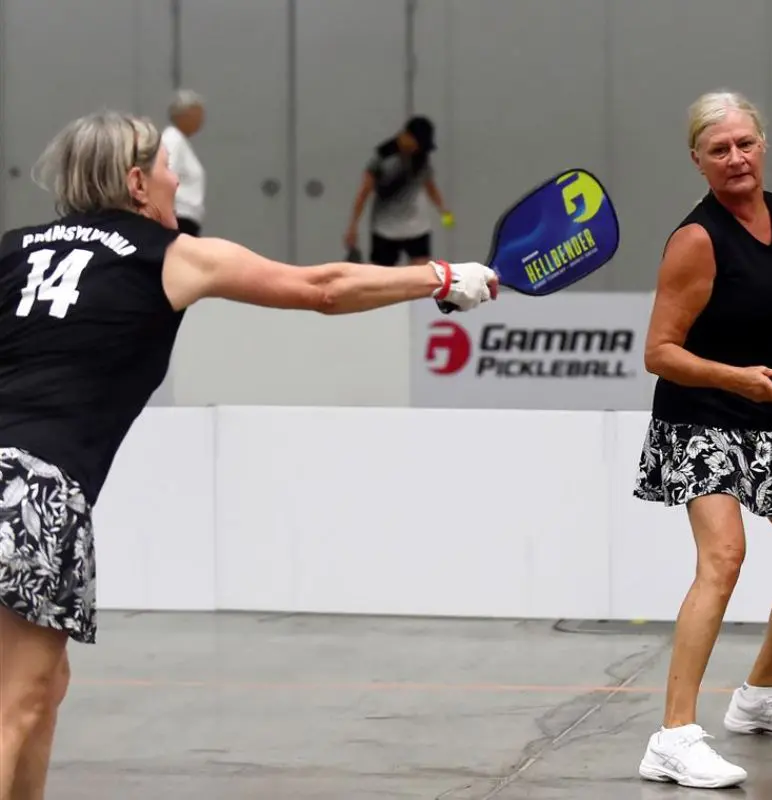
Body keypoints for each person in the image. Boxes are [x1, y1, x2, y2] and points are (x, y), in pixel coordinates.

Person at [0, 110, 498, 800]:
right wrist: (439, 276)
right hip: (37, 489)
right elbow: (321, 287)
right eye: (169, 168)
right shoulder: (168, 254)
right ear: (139, 182)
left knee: (44, 688)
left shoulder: (14, 248)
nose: (179, 181)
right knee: (17, 705)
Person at [632, 90, 772, 790]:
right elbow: (659, 352)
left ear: (763, 145)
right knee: (724, 559)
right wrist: (735, 378)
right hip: (702, 414)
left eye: (744, 144)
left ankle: (758, 697)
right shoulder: (696, 241)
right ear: (698, 161)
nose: (736, 158)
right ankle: (672, 737)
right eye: (719, 149)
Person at [343, 115, 453, 266]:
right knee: (380, 278)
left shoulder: (421, 158)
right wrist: (353, 226)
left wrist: (444, 212)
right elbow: (364, 193)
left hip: (417, 227)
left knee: (421, 275)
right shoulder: (382, 158)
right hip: (385, 228)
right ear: (407, 136)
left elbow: (430, 187)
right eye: (418, 143)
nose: (418, 148)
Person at [160, 89, 207, 236]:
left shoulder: (180, 141)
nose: (201, 120)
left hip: (186, 217)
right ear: (184, 115)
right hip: (179, 217)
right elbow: (164, 173)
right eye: (198, 115)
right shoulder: (172, 139)